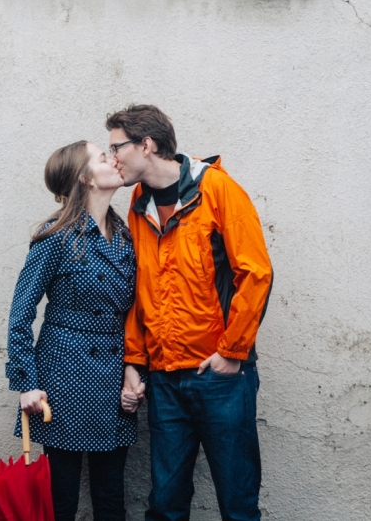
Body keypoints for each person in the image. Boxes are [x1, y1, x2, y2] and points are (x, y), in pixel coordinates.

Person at [107, 105, 273, 521]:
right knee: (164, 506)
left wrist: (232, 353)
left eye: (116, 148)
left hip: (219, 377)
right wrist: (135, 360)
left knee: (237, 504)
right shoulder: (138, 202)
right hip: (164, 381)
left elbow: (256, 273)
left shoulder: (216, 189)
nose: (112, 159)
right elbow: (139, 286)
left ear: (146, 145)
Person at [6, 140, 137, 521]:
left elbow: (134, 315)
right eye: (102, 157)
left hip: (112, 380)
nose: (113, 160)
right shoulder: (56, 236)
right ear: (85, 178)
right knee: (61, 501)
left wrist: (135, 371)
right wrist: (26, 382)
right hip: (62, 379)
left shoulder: (125, 237)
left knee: (111, 499)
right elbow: (20, 314)